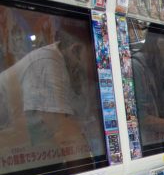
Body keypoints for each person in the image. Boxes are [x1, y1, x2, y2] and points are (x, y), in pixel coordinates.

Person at [0, 24, 103, 165]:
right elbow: (64, 131)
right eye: (97, 55)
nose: (102, 61)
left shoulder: (72, 67)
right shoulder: (47, 62)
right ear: (76, 50)